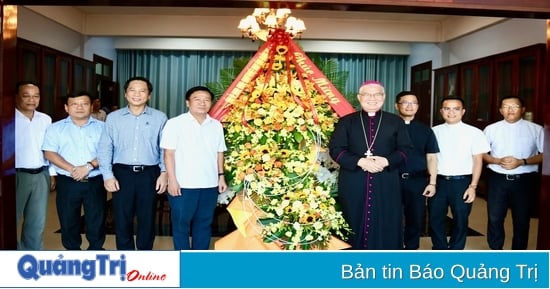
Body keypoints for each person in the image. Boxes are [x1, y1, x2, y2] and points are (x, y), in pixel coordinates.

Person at [329, 80, 413, 250]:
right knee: (352, 218)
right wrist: (360, 161)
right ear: (359, 97)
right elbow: (336, 149)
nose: (372, 98)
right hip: (354, 181)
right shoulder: (346, 122)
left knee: (386, 219)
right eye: (367, 94)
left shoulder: (395, 121)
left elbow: (406, 150)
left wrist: (386, 161)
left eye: (377, 94)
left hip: (386, 181)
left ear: (384, 97)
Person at [98, 76, 168, 250]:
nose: (137, 94)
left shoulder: (160, 117)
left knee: (147, 218)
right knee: (122, 218)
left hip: (149, 173)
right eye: (132, 90)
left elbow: (165, 148)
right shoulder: (113, 118)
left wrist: (164, 173)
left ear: (149, 95)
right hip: (122, 173)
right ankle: (126, 257)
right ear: (125, 93)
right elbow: (105, 148)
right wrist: (107, 175)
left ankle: (144, 256)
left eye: (142, 91)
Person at [160, 86, 228, 250]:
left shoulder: (216, 125)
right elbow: (168, 154)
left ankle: (199, 261)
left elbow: (219, 152)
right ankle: (183, 261)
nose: (202, 103)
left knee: (204, 224)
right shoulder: (175, 123)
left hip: (209, 185)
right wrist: (172, 180)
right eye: (197, 99)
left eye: (206, 100)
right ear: (187, 103)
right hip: (183, 185)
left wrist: (221, 176)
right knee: (181, 225)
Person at [42, 91, 106, 250]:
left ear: (91, 107)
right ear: (66, 107)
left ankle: (96, 252)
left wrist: (88, 167)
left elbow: (109, 152)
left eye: (84, 104)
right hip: (68, 182)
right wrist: (72, 169)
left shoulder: (104, 128)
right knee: (68, 220)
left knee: (96, 220)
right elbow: (49, 152)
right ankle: (72, 254)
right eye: (74, 104)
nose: (79, 107)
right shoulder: (55, 128)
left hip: (95, 181)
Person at [482, 96, 544, 250]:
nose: (510, 110)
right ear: (500, 110)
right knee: (495, 218)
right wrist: (497, 161)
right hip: (497, 179)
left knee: (522, 220)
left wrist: (521, 162)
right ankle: (496, 251)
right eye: (505, 106)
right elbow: (481, 153)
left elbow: (545, 154)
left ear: (522, 109)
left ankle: (518, 253)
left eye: (514, 106)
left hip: (524, 180)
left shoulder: (536, 129)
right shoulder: (491, 129)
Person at [430, 96, 490, 250]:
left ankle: (456, 250)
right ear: (441, 111)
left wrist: (473, 186)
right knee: (435, 218)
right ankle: (439, 249)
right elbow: (431, 159)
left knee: (461, 219)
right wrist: (432, 182)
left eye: (456, 108)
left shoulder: (474, 133)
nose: (451, 112)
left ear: (463, 111)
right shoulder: (433, 131)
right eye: (447, 108)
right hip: (439, 181)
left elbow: (478, 161)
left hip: (462, 182)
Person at [394, 91, 439, 250]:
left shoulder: (426, 130)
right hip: (391, 179)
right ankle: (393, 249)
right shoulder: (387, 127)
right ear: (396, 106)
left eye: (413, 102)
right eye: (405, 102)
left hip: (417, 181)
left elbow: (432, 158)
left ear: (418, 107)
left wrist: (432, 183)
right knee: (392, 217)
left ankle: (411, 250)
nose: (409, 105)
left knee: (415, 218)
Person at [15, 81, 54, 250]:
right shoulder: (7, 117)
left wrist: (52, 174)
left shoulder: (45, 119)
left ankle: (32, 256)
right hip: (15, 175)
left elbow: (50, 148)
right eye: (26, 96)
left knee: (37, 221)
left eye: (36, 96)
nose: (32, 100)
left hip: (41, 174)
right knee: (10, 220)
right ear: (17, 97)